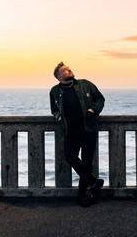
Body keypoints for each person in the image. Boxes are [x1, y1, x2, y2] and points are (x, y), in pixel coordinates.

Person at [50, 62, 105, 207]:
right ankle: (94, 182)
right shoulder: (54, 91)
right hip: (71, 131)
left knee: (87, 162)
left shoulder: (85, 84)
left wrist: (93, 110)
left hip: (89, 130)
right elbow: (54, 109)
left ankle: (82, 195)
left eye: (68, 68)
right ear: (60, 77)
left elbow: (100, 99)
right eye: (66, 70)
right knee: (70, 156)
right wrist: (58, 117)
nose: (70, 70)